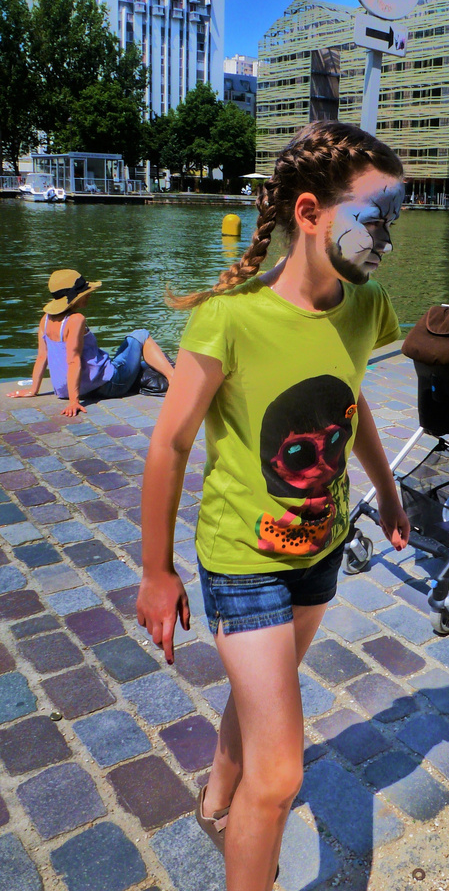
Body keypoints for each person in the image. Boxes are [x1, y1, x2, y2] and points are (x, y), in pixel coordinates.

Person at [135, 120, 410, 891]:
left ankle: (216, 799)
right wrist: (155, 571)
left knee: (267, 696)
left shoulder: (367, 305)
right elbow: (170, 445)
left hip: (317, 552)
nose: (387, 235)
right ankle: (245, 816)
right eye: (375, 213)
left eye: (396, 214)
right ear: (310, 213)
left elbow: (349, 398)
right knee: (282, 772)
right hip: (241, 560)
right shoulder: (229, 317)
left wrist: (386, 488)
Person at [6, 269, 174, 418]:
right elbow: (73, 360)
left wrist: (33, 390)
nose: (89, 294)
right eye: (86, 292)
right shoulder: (76, 319)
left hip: (63, 390)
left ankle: (158, 367)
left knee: (141, 361)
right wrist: (74, 401)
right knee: (140, 335)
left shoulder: (46, 319)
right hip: (108, 385)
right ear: (74, 297)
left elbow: (42, 356)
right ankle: (173, 379)